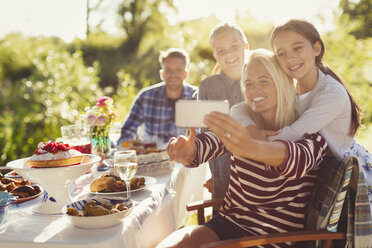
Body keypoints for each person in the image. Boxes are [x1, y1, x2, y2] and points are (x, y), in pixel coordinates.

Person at [156, 49, 328, 248]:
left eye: (264, 81)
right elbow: (208, 145)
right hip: (227, 224)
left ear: (283, 83)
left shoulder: (310, 134)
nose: (254, 89)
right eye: (248, 83)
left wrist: (252, 147)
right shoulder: (243, 125)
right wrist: (187, 152)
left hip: (272, 240)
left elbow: (290, 158)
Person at [230, 19, 372, 209]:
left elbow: (294, 134)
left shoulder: (331, 93)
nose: (290, 59)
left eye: (297, 48)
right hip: (313, 174)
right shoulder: (290, 88)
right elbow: (239, 108)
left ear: (316, 48)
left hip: (347, 178)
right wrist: (250, 128)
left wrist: (252, 144)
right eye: (281, 53)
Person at [198, 23, 248, 204]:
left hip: (260, 177)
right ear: (215, 55)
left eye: (234, 46)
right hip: (223, 180)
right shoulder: (207, 87)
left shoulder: (262, 79)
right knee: (224, 228)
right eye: (221, 50)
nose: (229, 54)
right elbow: (204, 136)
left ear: (245, 46)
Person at [117, 48, 197, 148]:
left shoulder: (197, 97)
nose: (173, 74)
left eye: (178, 70)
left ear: (186, 74)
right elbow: (127, 131)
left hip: (186, 159)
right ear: (162, 74)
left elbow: (203, 136)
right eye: (168, 70)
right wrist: (129, 149)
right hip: (151, 158)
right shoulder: (145, 97)